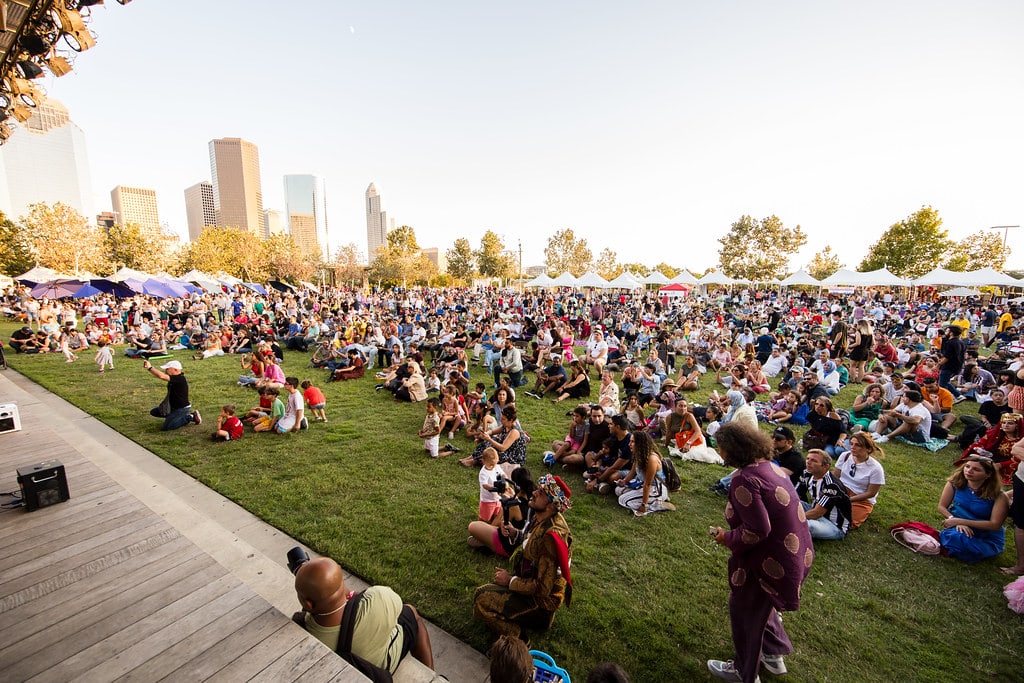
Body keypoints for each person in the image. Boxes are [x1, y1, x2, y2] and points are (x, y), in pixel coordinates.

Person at [707, 423, 814, 683]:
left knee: (744, 609)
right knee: (761, 606)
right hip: (794, 553)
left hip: (768, 560)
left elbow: (757, 530)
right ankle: (773, 654)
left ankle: (744, 670)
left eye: (720, 447)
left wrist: (726, 537)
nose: (718, 452)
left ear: (733, 450)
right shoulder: (770, 467)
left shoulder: (744, 478)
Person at [473, 473, 574, 642]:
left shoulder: (552, 537)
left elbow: (543, 589)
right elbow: (532, 543)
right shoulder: (541, 516)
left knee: (482, 600)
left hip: (541, 603)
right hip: (529, 582)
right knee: (481, 595)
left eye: (541, 493)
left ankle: (520, 640)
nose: (534, 492)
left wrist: (510, 581)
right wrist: (516, 533)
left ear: (551, 506)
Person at [293, 557, 435, 674]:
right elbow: (398, 606)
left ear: (308, 603)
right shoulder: (378, 598)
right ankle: (430, 675)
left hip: (343, 671)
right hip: (384, 665)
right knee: (410, 611)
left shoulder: (304, 632)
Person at [937, 456, 1010, 563]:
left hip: (986, 535)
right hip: (960, 528)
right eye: (967, 466)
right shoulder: (955, 483)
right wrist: (953, 520)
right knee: (955, 537)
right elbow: (941, 506)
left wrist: (960, 521)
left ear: (988, 474)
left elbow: (995, 525)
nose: (969, 471)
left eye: (976, 469)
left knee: (964, 544)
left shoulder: (1000, 496)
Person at [467, 466, 536, 557]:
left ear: (514, 484)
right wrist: (513, 496)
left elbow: (495, 525)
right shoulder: (535, 500)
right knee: (473, 539)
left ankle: (487, 544)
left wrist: (506, 502)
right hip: (523, 540)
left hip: (508, 545)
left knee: (473, 527)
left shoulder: (513, 505)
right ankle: (483, 541)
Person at [796, 449, 852, 540]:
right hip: (814, 511)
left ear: (826, 466)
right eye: (808, 459)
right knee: (790, 502)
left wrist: (793, 517)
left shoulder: (832, 485)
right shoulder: (807, 474)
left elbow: (817, 513)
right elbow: (795, 497)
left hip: (834, 525)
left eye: (814, 460)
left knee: (808, 526)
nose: (808, 462)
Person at [615, 431, 676, 516]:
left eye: (632, 442)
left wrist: (644, 505)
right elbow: (632, 472)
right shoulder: (639, 454)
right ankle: (651, 500)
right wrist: (624, 481)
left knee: (622, 500)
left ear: (640, 443)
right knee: (618, 490)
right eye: (630, 441)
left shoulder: (651, 459)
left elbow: (647, 484)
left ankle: (656, 504)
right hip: (642, 484)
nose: (629, 444)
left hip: (655, 489)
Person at [834, 432, 886, 529]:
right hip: (842, 489)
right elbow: (835, 477)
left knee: (846, 522)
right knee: (823, 509)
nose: (853, 447)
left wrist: (849, 500)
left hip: (861, 498)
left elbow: (871, 493)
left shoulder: (876, 468)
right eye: (851, 444)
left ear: (868, 449)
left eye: (858, 445)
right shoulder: (845, 456)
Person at [143, 359, 201, 430]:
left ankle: (190, 417)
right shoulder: (175, 378)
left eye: (167, 369)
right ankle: (174, 417)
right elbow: (162, 376)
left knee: (167, 427)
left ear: (175, 370)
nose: (165, 371)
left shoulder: (180, 379)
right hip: (172, 407)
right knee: (154, 412)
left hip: (181, 408)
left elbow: (162, 376)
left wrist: (150, 367)